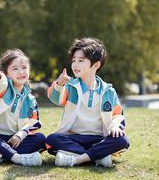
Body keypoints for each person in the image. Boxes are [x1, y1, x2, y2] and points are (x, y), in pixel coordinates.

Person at [45, 37, 130, 168]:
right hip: (73, 138)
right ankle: (97, 157)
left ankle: (78, 158)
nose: (75, 65)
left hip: (98, 139)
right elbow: (55, 98)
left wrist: (114, 127)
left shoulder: (108, 91)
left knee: (122, 140)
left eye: (81, 60)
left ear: (96, 65)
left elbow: (118, 116)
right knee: (52, 139)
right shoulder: (69, 86)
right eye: (74, 60)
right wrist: (59, 84)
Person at [0, 49, 46, 166]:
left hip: (15, 140)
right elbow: (0, 82)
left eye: (24, 68)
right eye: (15, 69)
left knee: (41, 139)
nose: (21, 72)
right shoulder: (3, 90)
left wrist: (19, 135)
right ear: (6, 74)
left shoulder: (30, 99)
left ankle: (0, 156)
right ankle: (17, 158)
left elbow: (33, 122)